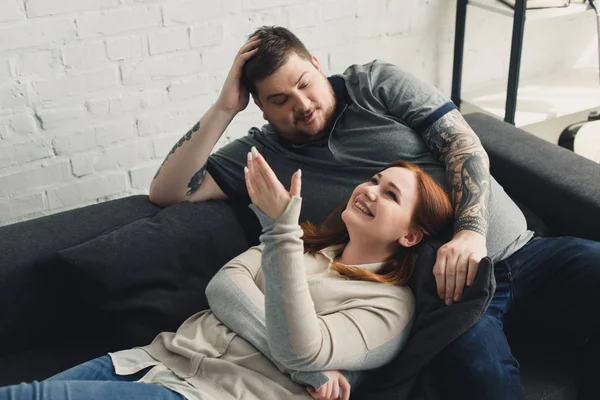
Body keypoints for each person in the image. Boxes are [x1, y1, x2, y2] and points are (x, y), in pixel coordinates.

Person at [149, 26, 600, 399]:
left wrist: (469, 231)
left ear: (318, 66)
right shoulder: (259, 154)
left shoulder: (374, 83)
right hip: (451, 297)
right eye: (280, 100)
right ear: (260, 108)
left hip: (522, 250)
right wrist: (225, 107)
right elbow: (167, 191)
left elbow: (463, 145)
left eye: (304, 83)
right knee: (479, 370)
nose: (301, 105)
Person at [0, 158, 454, 400]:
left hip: (214, 394)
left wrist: (280, 232)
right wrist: (303, 369)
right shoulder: (308, 245)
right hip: (154, 357)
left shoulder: (390, 307)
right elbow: (222, 288)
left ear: (412, 234)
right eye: (375, 180)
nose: (370, 191)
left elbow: (303, 342)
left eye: (390, 194)